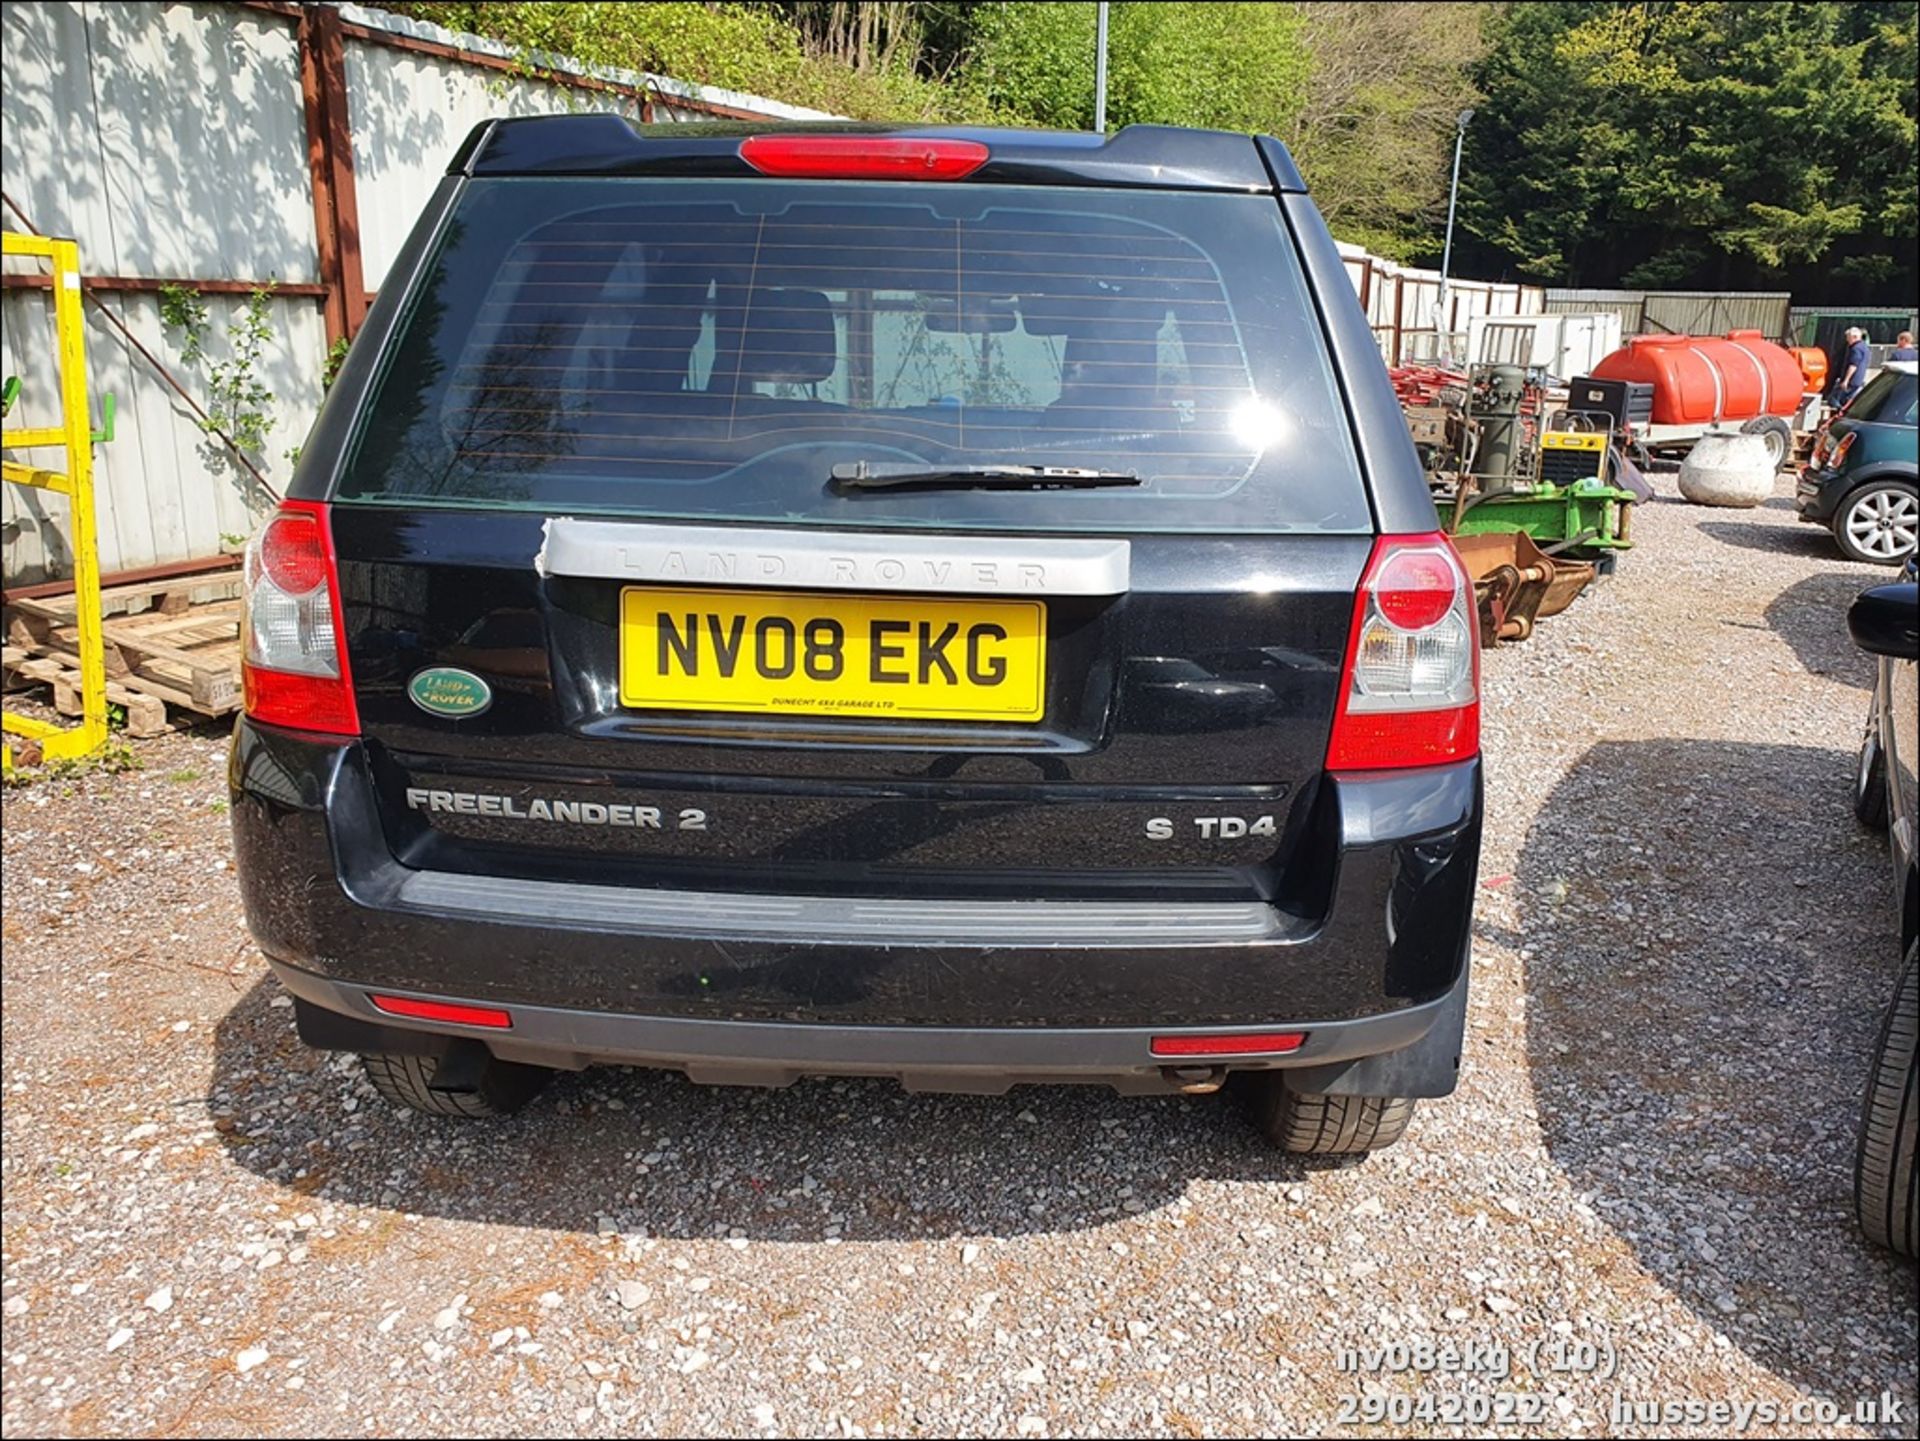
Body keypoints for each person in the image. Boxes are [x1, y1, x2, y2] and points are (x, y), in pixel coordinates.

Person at [1832, 327, 1872, 408]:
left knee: (1834, 400)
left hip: (1851, 380)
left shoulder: (1856, 348)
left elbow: (1853, 365)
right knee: (1848, 401)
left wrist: (1846, 380)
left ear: (1854, 337)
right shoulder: (1865, 347)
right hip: (1858, 380)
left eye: (1848, 337)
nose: (1847, 340)